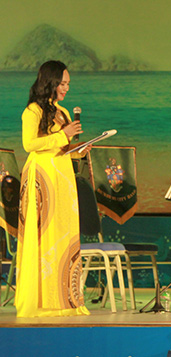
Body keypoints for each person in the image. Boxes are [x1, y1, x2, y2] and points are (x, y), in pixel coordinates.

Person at [16, 60, 90, 318]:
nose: (66, 88)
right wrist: (63, 135)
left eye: (68, 84)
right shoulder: (32, 111)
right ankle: (41, 302)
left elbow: (62, 149)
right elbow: (29, 144)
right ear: (49, 81)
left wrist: (78, 150)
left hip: (62, 176)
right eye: (62, 83)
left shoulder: (63, 111)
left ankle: (64, 299)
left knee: (64, 234)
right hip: (41, 177)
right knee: (44, 235)